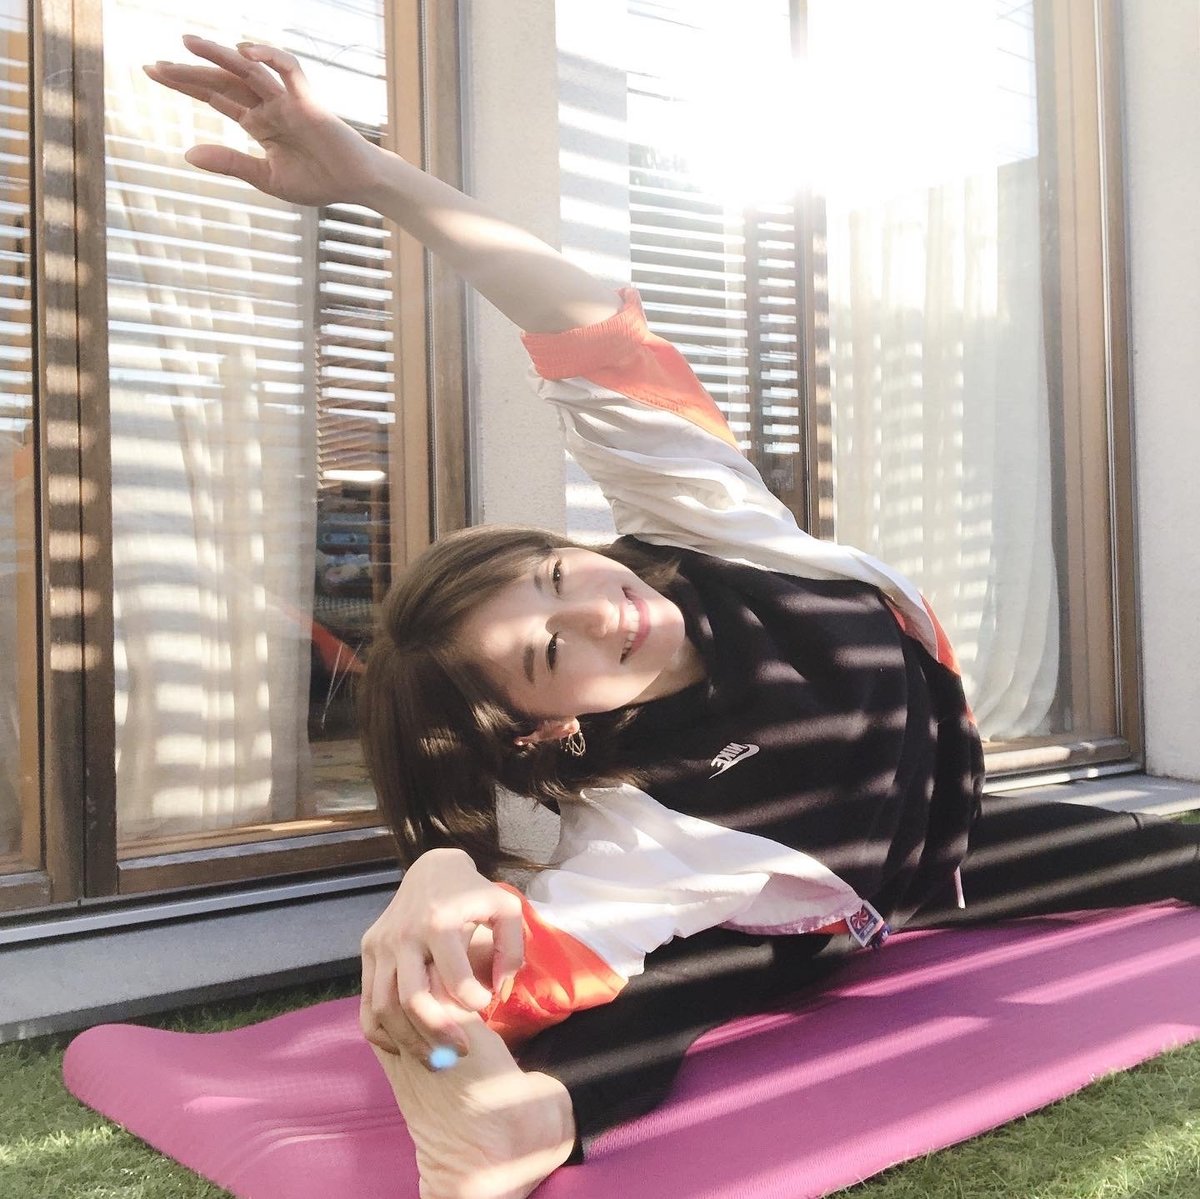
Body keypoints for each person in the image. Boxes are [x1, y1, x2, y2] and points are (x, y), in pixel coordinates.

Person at [146, 36, 1200, 1199]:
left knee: (1174, 852)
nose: (598, 605)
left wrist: (374, 176)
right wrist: (440, 898)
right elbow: (511, 972)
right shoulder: (646, 825)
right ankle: (515, 1122)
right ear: (547, 725)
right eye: (554, 649)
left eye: (557, 571)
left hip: (936, 827)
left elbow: (586, 322)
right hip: (810, 911)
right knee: (666, 991)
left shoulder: (701, 527)